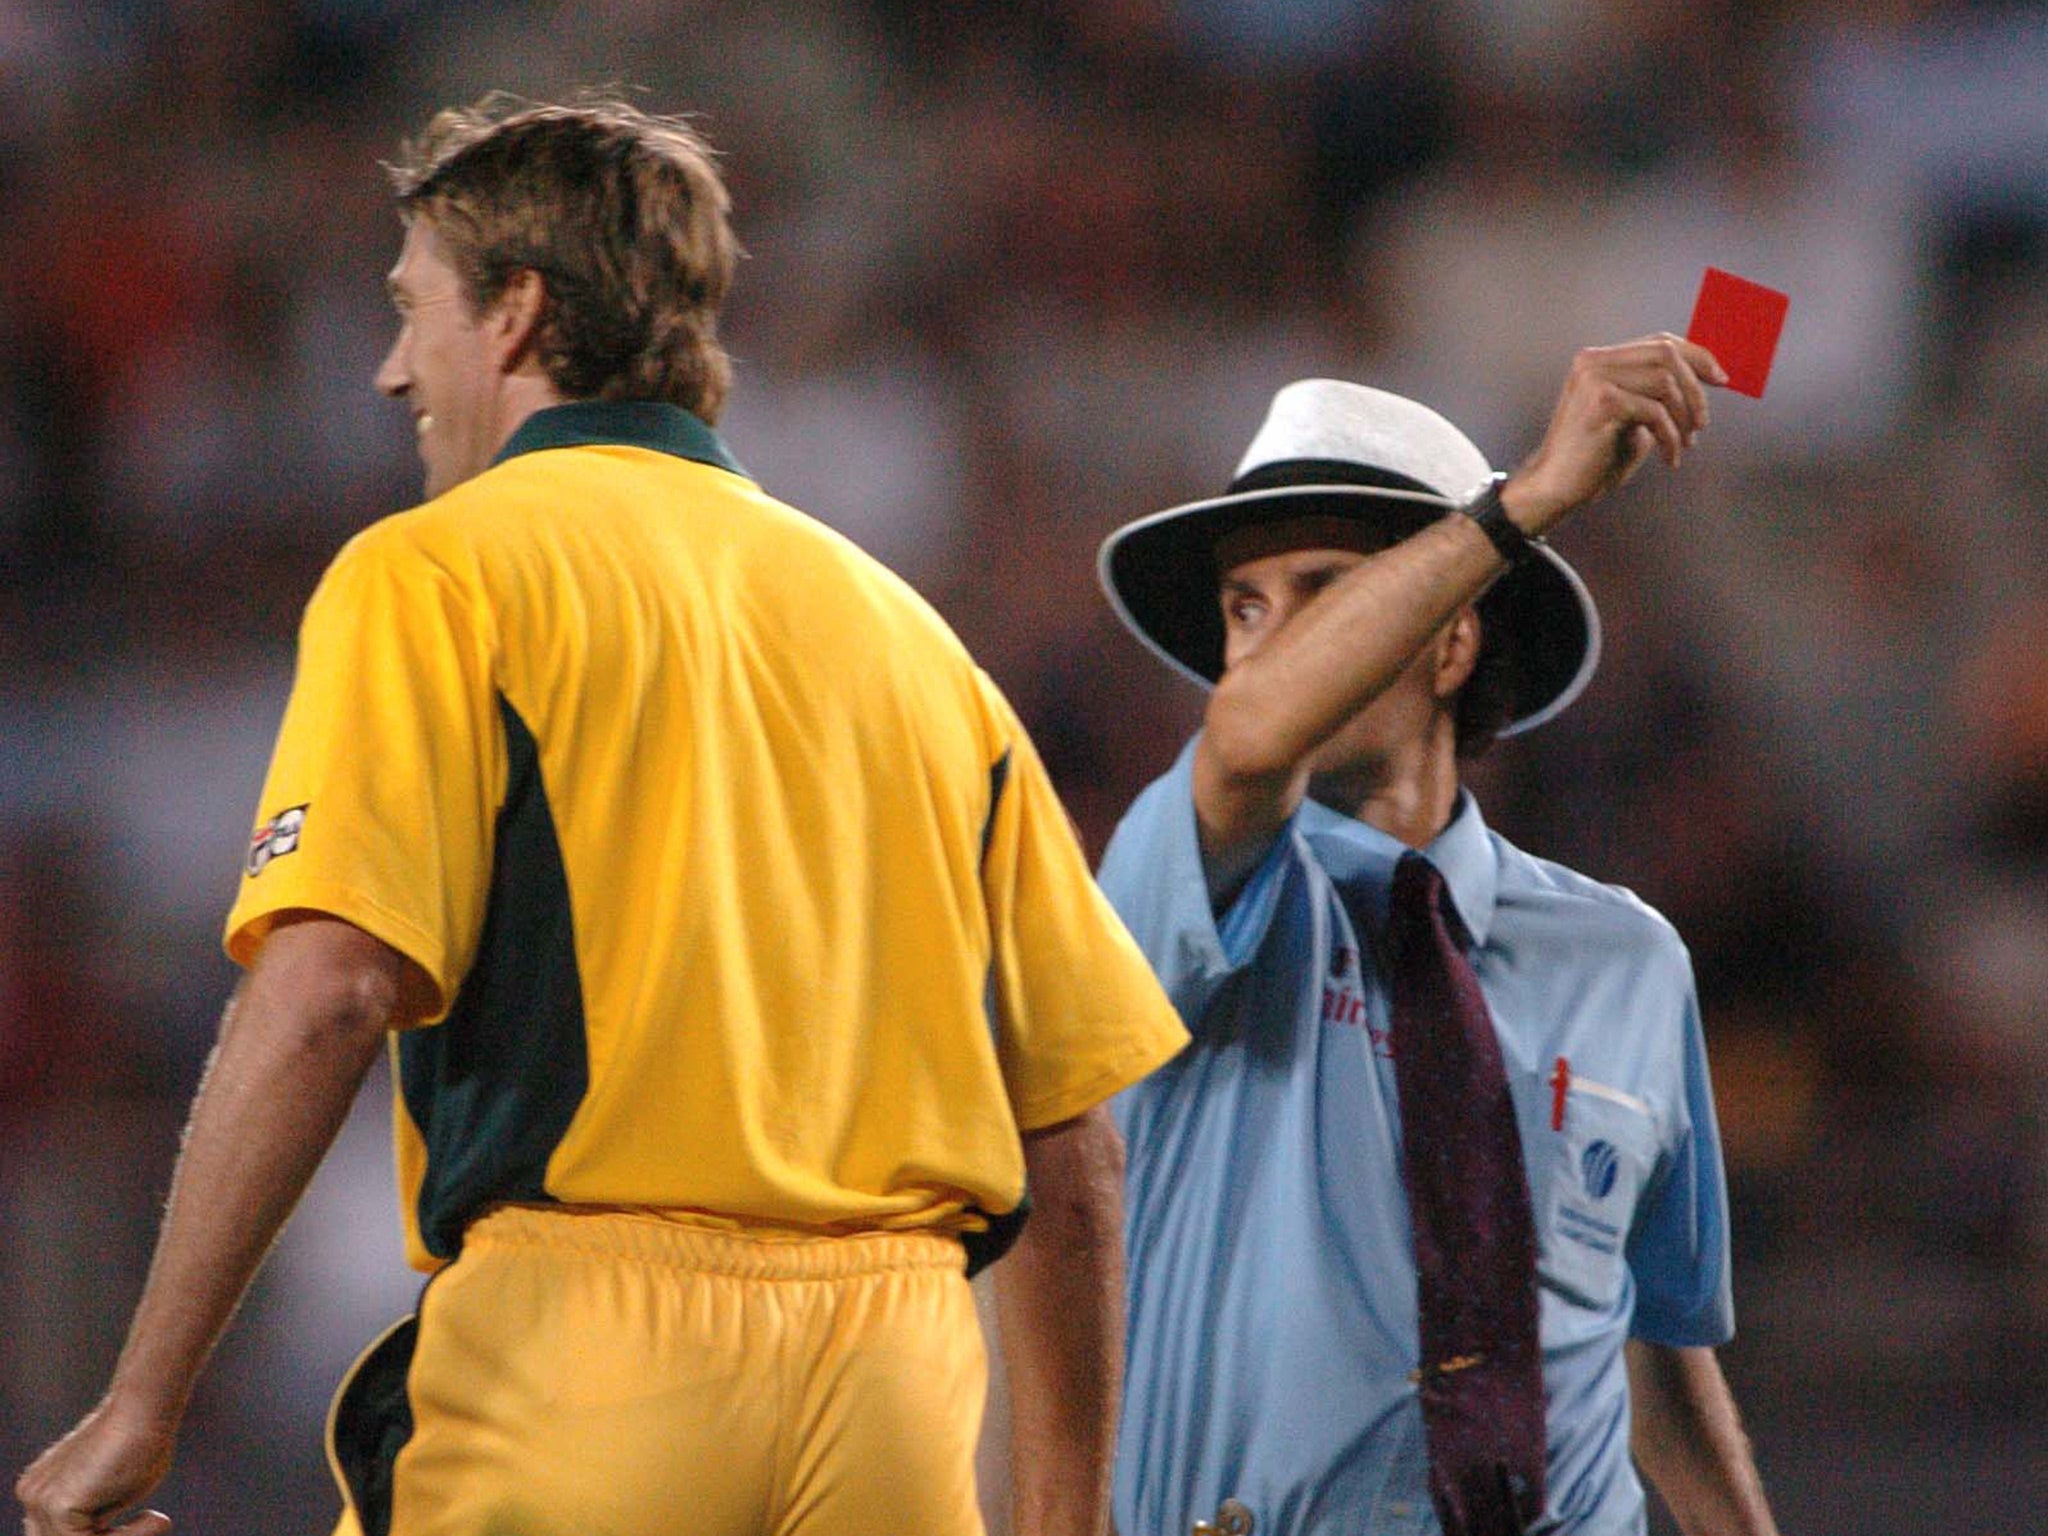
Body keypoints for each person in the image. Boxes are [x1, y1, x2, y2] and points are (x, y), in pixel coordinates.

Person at [16, 97, 1187, 1536]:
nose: (392, 369)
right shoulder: (915, 642)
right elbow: (1073, 1141)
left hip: (594, 1367)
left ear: (513, 313)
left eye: (410, 308)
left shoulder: (437, 574)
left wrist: (141, 1406)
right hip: (897, 1384)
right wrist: (1068, 1520)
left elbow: (329, 990)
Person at [1094, 338, 1783, 1536]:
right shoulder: (1177, 882)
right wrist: (1529, 499)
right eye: (1242, 607)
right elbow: (1248, 736)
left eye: (1322, 591)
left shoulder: (1626, 959)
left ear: (1449, 637)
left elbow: (1645, 1341)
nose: (1264, 643)